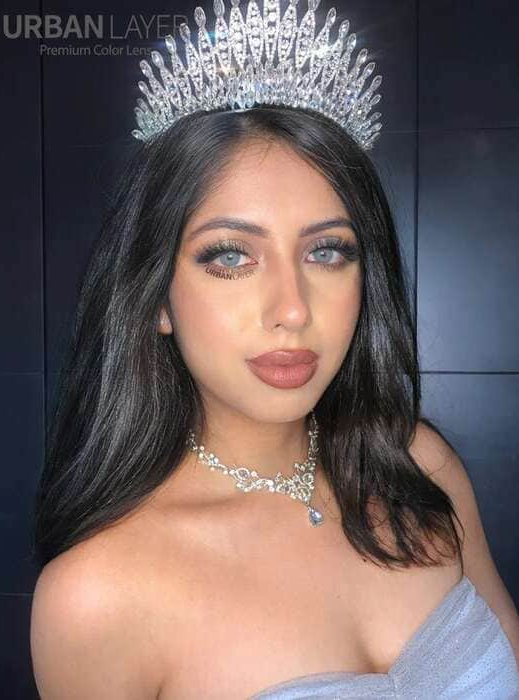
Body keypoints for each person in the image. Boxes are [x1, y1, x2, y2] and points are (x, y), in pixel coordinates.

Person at [30, 1, 519, 698]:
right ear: (157, 297)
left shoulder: (419, 464)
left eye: (327, 251)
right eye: (230, 256)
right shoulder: (97, 596)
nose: (292, 309)